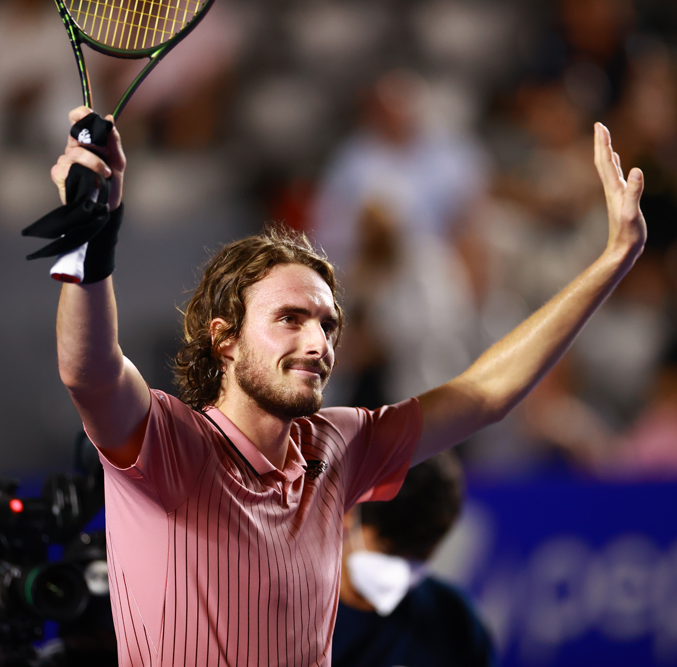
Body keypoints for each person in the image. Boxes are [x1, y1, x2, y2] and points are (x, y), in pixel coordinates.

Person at [45, 105, 646, 665]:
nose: (318, 343)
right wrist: (92, 244)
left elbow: (485, 395)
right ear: (223, 338)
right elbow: (89, 370)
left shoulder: (336, 445)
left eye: (328, 324)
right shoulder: (170, 444)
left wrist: (613, 259)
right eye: (290, 319)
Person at [333, 454, 495, 667]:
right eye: (387, 552)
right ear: (349, 512)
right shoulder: (288, 613)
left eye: (418, 557)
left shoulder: (457, 625)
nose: (399, 570)